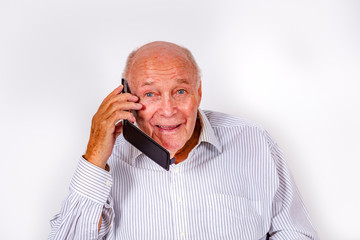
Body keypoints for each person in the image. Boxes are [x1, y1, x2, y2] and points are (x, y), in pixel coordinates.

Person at [49, 41, 319, 239]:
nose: (168, 110)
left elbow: (292, 231)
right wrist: (95, 157)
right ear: (126, 96)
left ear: (198, 93)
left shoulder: (253, 141)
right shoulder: (108, 161)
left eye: (180, 91)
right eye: (151, 94)